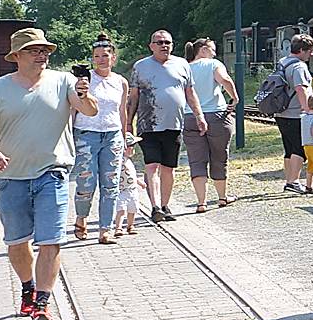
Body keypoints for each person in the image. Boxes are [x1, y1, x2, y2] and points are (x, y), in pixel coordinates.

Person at [0, 27, 99, 320]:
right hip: (12, 176)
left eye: (44, 50)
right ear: (16, 56)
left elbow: (89, 111)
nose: (41, 54)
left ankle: (42, 302)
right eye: (33, 50)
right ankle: (28, 287)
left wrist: (84, 93)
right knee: (17, 243)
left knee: (51, 240)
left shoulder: (64, 81)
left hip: (52, 172)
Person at [126, 29, 204, 222]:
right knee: (152, 165)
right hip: (148, 125)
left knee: (169, 168)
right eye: (159, 42)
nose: (164, 46)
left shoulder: (182, 64)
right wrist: (128, 123)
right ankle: (155, 207)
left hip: (174, 124)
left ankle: (165, 205)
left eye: (167, 42)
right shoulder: (141, 67)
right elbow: (133, 97)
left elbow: (190, 93)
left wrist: (199, 115)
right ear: (151, 46)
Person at [72, 35, 128, 244]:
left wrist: (125, 137)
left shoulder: (120, 81)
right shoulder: (86, 79)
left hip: (112, 135)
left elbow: (122, 111)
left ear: (113, 57)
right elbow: (74, 106)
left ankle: (106, 228)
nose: (101, 60)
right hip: (86, 134)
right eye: (97, 56)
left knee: (111, 183)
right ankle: (81, 217)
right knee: (86, 181)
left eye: (105, 55)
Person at [182, 38, 239, 211]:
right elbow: (225, 80)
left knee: (196, 160)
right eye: (213, 50)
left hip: (190, 116)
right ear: (204, 49)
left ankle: (201, 202)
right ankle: (222, 197)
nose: (215, 53)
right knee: (219, 157)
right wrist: (235, 98)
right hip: (216, 115)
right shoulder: (213, 64)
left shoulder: (185, 67)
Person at [274, 35, 313, 194]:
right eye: (310, 51)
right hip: (295, 113)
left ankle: (289, 180)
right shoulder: (299, 66)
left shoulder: (282, 62)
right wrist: (307, 110)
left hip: (281, 112)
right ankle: (294, 181)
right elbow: (300, 88)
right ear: (301, 50)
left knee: (289, 148)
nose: (311, 54)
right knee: (299, 149)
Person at [112, 137, 145, 237]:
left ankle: (130, 225)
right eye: (131, 147)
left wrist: (139, 182)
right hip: (121, 190)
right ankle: (118, 227)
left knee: (132, 209)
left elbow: (132, 175)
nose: (133, 149)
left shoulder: (129, 161)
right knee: (121, 210)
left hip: (132, 190)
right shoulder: (119, 161)